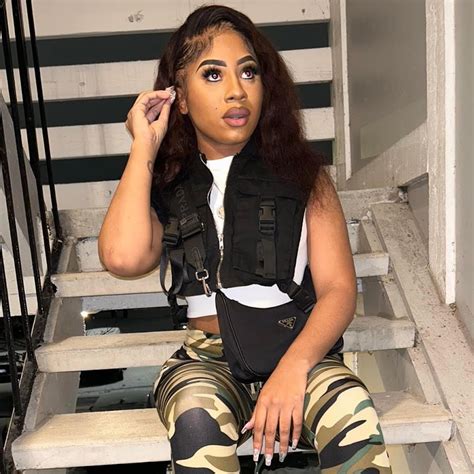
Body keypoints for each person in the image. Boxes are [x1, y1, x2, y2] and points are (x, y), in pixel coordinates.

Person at [98, 4, 392, 473]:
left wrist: (294, 368)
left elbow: (338, 290)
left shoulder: (305, 176)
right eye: (212, 74)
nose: (236, 90)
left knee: (351, 415)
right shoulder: (166, 184)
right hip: (206, 362)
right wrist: (143, 146)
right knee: (195, 422)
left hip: (299, 349)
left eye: (248, 72)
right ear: (181, 98)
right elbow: (121, 258)